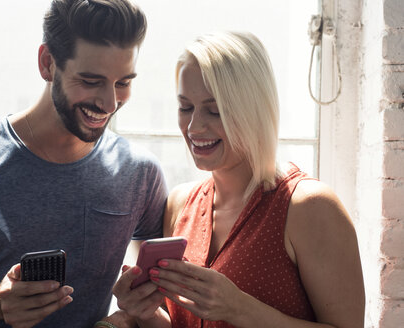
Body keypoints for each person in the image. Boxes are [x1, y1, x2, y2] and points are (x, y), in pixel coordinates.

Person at [0, 0, 168, 327]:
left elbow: (156, 309)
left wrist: (129, 315)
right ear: (48, 63)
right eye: (91, 81)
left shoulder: (140, 174)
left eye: (123, 83)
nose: (109, 103)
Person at [113, 31, 365, 328]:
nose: (194, 126)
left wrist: (241, 309)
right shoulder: (180, 204)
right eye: (185, 107)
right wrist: (147, 313)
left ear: (253, 111)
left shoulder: (310, 208)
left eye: (214, 110)